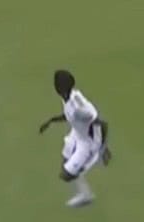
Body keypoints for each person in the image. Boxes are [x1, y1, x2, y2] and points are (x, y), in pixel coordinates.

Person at [36, 69, 111, 207]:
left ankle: (86, 193)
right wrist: (51, 121)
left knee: (66, 175)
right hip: (77, 133)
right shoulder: (67, 97)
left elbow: (100, 123)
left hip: (88, 141)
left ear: (60, 88)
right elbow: (68, 115)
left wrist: (103, 148)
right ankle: (85, 193)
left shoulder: (79, 109)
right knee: (65, 161)